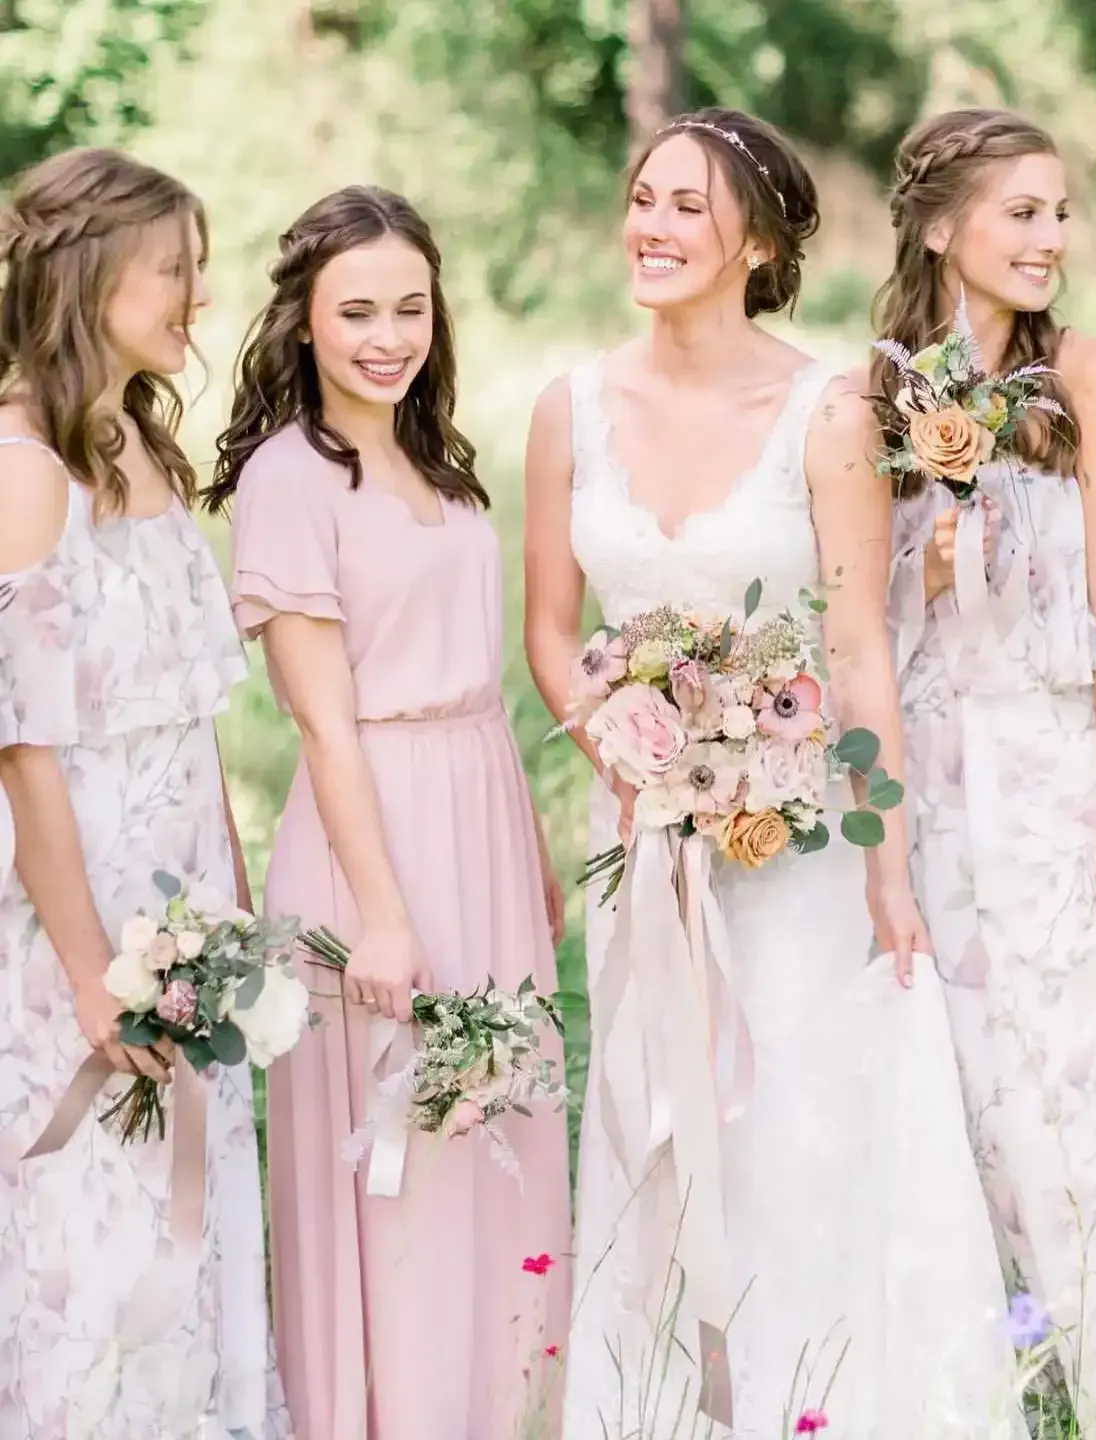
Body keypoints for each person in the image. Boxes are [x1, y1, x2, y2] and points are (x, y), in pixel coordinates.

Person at [524, 107, 1021, 1437]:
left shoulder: (830, 405)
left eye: (688, 206)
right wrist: (613, 733)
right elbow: (552, 634)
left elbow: (858, 644)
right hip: (645, 838)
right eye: (643, 198)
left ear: (758, 240)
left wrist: (888, 866)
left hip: (800, 845)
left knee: (798, 1145)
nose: (653, 225)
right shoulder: (568, 404)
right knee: (660, 1129)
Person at [877, 106, 1096, 1437]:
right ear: (936, 226)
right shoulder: (881, 393)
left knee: (1085, 1120)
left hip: (1058, 781)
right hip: (932, 797)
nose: (1051, 239)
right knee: (958, 1118)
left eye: (1061, 214)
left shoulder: (1092, 373)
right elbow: (864, 628)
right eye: (1022, 213)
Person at [205, 185, 572, 1440]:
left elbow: (479, 671)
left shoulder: (438, 456)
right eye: (355, 309)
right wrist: (380, 915)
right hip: (376, 840)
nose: (387, 333)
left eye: (409, 306)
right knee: (404, 1171)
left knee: (498, 1138)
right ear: (302, 322)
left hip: (479, 809)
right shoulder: (288, 476)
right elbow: (321, 718)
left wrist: (524, 849)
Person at [0, 147, 288, 1437]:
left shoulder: (150, 458)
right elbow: (23, 749)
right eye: (172, 270)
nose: (196, 298)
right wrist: (85, 972)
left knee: (193, 1225)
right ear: (89, 275)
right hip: (75, 919)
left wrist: (225, 925)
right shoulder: (22, 471)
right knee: (94, 1247)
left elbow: (197, 723)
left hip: (183, 917)